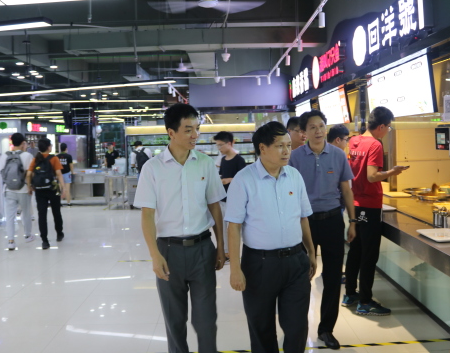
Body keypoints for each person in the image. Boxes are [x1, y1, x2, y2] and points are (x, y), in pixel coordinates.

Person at [134, 103, 226, 353]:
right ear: (171, 133)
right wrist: (155, 255)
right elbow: (147, 215)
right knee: (174, 320)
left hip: (202, 249)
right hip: (169, 250)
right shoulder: (152, 168)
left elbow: (215, 207)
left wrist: (221, 247)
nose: (195, 135)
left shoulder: (205, 163)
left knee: (206, 320)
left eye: (197, 128)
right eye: (188, 130)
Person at [226, 121, 316, 353]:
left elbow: (303, 217)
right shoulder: (244, 180)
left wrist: (311, 252)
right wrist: (235, 269)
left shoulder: (294, 176)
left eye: (288, 145)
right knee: (262, 327)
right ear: (262, 148)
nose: (287, 151)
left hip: (296, 261)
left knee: (297, 326)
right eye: (279, 146)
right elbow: (234, 227)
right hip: (259, 264)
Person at [289, 110, 356, 350]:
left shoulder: (338, 155)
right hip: (303, 222)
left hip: (332, 221)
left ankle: (326, 329)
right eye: (312, 127)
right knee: (301, 277)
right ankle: (298, 330)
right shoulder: (294, 157)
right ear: (303, 132)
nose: (318, 131)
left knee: (332, 278)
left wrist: (353, 221)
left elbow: (346, 190)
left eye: (321, 126)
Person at [343, 106, 408, 316]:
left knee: (355, 250)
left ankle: (350, 294)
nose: (388, 131)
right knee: (369, 255)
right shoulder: (375, 144)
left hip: (354, 203)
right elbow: (372, 176)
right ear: (381, 126)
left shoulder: (354, 141)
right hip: (369, 205)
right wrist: (392, 172)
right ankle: (365, 301)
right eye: (388, 127)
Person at [25, 138, 66, 250]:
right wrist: (63, 188)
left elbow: (28, 174)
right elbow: (59, 174)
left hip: (39, 191)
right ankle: (59, 233)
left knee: (42, 215)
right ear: (48, 147)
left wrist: (29, 187)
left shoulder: (36, 159)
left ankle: (45, 241)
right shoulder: (54, 158)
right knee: (56, 212)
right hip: (53, 189)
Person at [0, 133, 36, 250]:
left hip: (8, 190)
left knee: (10, 216)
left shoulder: (5, 156)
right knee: (26, 213)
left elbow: (1, 171)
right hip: (24, 189)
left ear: (12, 142)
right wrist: (30, 186)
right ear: (23, 143)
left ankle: (11, 241)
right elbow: (30, 173)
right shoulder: (27, 156)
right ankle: (28, 235)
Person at [214, 131, 246, 259]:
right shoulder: (223, 160)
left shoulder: (239, 160)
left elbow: (244, 180)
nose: (219, 148)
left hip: (235, 200)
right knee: (222, 227)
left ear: (229, 143)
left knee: (234, 228)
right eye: (217, 145)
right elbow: (222, 175)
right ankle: (226, 252)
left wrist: (229, 180)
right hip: (223, 198)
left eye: (220, 145)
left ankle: (234, 253)